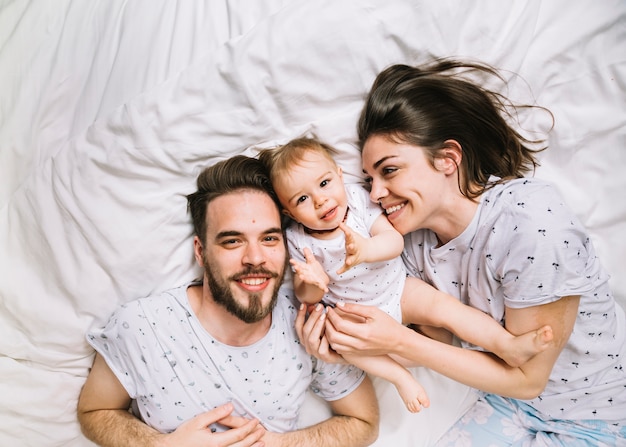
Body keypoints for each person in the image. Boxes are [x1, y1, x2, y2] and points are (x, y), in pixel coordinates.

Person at [300, 58, 626, 446]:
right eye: (369, 180)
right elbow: (432, 349)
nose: (374, 195)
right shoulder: (411, 247)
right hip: (506, 403)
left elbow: (528, 377)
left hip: (599, 416)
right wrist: (349, 351)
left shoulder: (531, 219)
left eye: (389, 171)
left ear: (447, 159)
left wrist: (398, 342)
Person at [76, 155, 379, 447]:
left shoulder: (307, 323)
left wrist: (283, 444)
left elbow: (364, 422)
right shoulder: (142, 325)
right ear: (201, 252)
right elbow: (95, 412)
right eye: (232, 241)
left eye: (269, 238)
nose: (255, 258)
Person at [259, 137, 553, 414]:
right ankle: (400, 378)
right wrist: (313, 283)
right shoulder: (297, 239)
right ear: (291, 213)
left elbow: (393, 242)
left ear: (339, 176)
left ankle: (505, 345)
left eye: (324, 183)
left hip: (398, 289)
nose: (320, 201)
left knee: (445, 309)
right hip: (355, 313)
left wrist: (366, 250)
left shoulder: (359, 203)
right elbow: (306, 295)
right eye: (302, 200)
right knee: (343, 343)